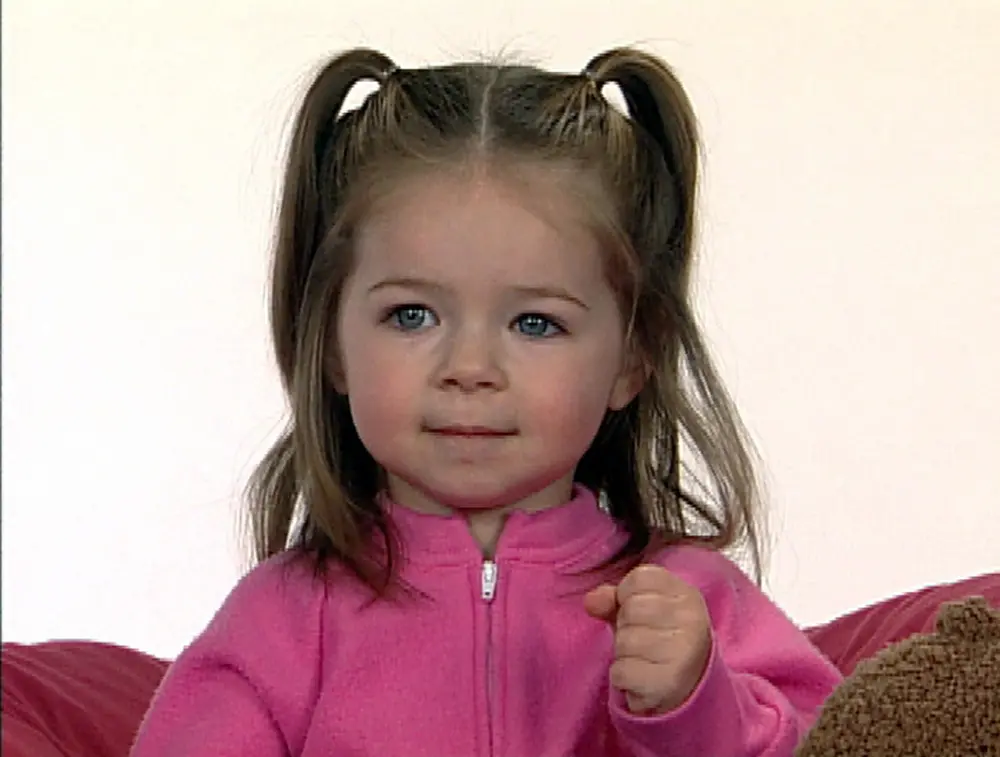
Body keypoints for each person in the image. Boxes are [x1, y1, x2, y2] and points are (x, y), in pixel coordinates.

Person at [130, 45, 842, 757]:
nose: (469, 369)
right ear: (333, 345)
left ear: (632, 357)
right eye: (411, 315)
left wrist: (701, 709)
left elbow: (841, 739)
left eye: (535, 323)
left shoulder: (691, 603)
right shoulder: (280, 623)